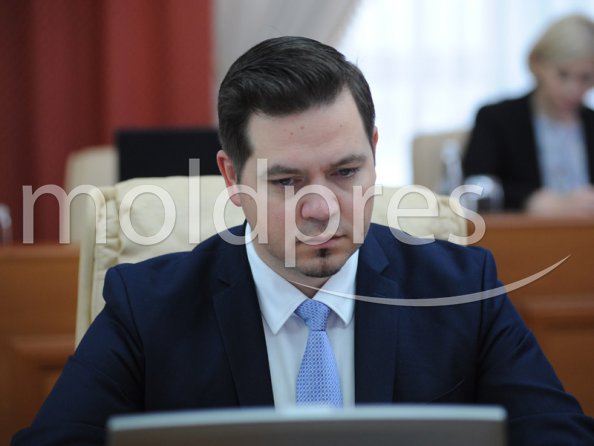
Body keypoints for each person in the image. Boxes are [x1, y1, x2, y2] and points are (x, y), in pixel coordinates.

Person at [13, 36, 594, 446]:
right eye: (286, 182)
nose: (320, 210)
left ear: (374, 152)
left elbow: (557, 433)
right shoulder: (147, 307)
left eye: (346, 172)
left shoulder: (465, 290)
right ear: (232, 178)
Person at [463, 14, 594, 213]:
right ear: (537, 64)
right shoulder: (497, 119)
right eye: (562, 74)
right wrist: (530, 200)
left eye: (585, 78)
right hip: (522, 231)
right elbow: (474, 188)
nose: (573, 89)